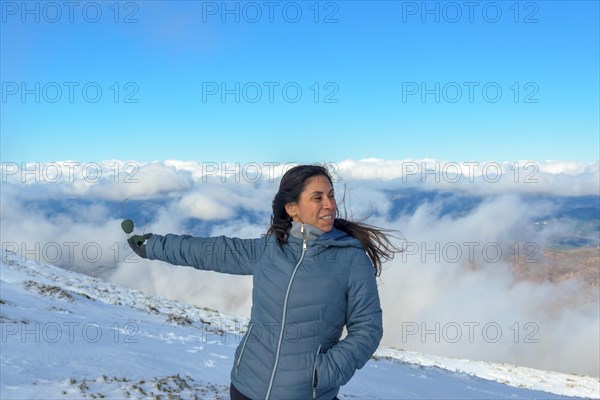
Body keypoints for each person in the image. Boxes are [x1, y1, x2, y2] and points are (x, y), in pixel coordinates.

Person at [128, 164, 400, 400]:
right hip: (247, 385)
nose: (330, 205)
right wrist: (152, 245)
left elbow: (367, 329)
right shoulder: (270, 250)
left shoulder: (351, 260)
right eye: (317, 197)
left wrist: (321, 374)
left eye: (330, 196)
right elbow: (208, 251)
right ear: (292, 208)